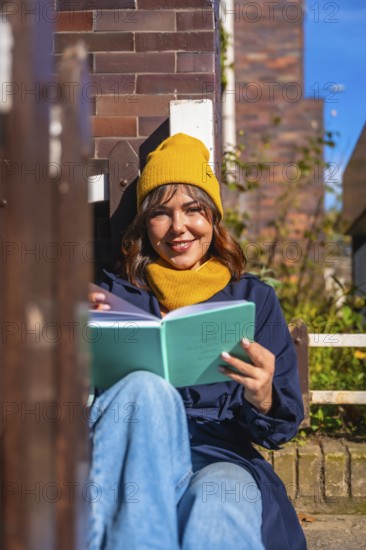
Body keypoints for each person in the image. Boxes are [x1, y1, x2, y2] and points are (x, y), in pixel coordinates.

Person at [88, 133, 306, 550]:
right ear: (144, 223)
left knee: (220, 500)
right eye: (160, 213)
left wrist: (262, 396)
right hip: (137, 458)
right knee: (144, 389)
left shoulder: (253, 299)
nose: (179, 227)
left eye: (193, 210)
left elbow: (280, 429)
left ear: (213, 219)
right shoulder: (114, 294)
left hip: (221, 453)